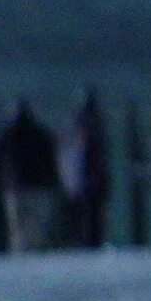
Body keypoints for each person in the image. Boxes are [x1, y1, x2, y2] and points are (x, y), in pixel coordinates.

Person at [0, 97, 62, 253]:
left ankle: (19, 254)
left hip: (15, 187)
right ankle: (32, 254)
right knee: (36, 228)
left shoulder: (7, 136)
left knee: (17, 228)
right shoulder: (41, 135)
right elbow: (51, 161)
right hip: (38, 187)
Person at [59, 86, 111, 248]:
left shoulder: (86, 136)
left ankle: (86, 241)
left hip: (87, 182)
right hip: (92, 181)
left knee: (87, 214)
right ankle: (90, 240)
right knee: (93, 215)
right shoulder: (97, 132)